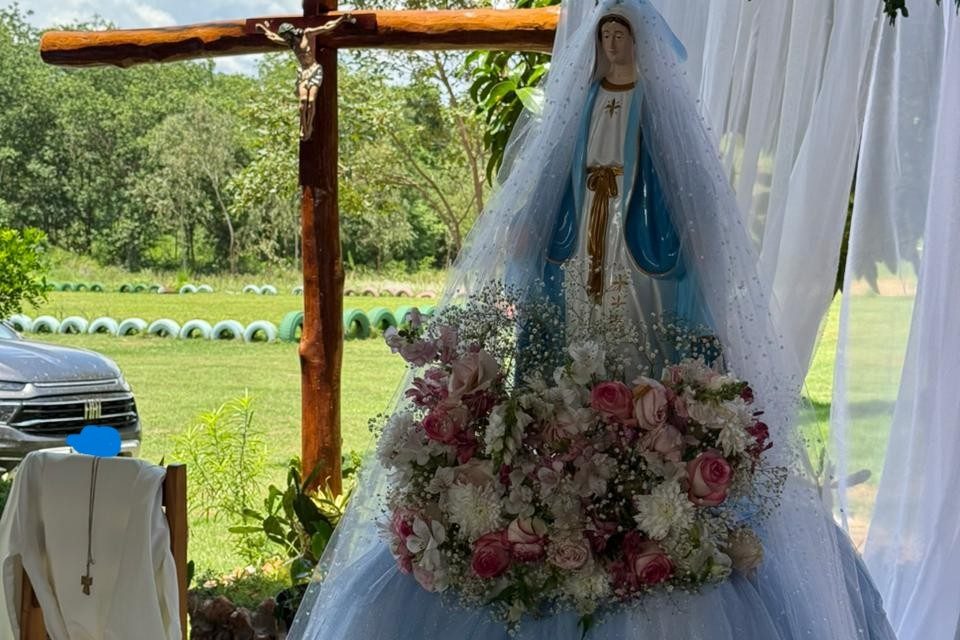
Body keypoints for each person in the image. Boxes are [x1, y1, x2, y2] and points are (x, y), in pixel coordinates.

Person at [287, 1, 897, 638]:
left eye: (619, 37)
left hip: (637, 249)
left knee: (634, 322)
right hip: (584, 237)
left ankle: (638, 411)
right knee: (576, 313)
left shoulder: (656, 113)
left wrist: (636, 198)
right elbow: (556, 181)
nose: (611, 47)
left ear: (639, 46)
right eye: (603, 36)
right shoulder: (582, 109)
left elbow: (680, 190)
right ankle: (578, 413)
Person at [256, 15, 354, 140]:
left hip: (314, 69)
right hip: (303, 72)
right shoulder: (290, 43)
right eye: (284, 37)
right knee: (303, 102)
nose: (285, 38)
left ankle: (309, 126)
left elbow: (326, 27)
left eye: (286, 35)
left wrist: (341, 19)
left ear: (290, 32)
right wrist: (264, 29)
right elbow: (273, 37)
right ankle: (303, 126)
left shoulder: (306, 34)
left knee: (311, 101)